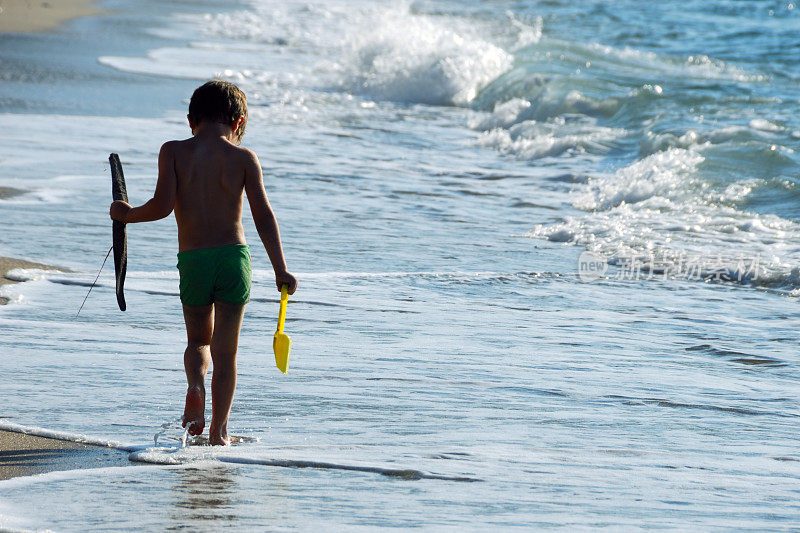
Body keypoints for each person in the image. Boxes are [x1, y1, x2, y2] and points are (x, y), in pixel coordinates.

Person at [110, 80, 298, 446]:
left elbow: (162, 207)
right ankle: (219, 432)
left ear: (190, 119)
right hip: (233, 259)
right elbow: (263, 214)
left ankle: (195, 386)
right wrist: (280, 268)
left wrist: (126, 214)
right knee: (226, 355)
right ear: (239, 121)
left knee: (199, 341)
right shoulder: (244, 159)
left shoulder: (173, 152)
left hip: (193, 259)